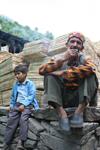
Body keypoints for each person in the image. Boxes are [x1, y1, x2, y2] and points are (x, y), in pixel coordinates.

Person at [39, 31, 98, 135]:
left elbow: (91, 68)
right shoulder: (58, 57)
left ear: (82, 48)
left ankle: (79, 112)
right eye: (72, 41)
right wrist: (63, 59)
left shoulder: (83, 58)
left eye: (78, 43)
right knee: (49, 75)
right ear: (67, 45)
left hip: (79, 99)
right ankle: (62, 113)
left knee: (91, 73)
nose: (75, 44)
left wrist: (62, 72)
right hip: (61, 99)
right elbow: (41, 70)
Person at [2, 64, 39, 150]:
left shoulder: (30, 84)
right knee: (11, 119)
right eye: (15, 74)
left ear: (25, 73)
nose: (16, 76)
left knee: (23, 120)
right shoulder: (16, 84)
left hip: (28, 104)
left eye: (18, 73)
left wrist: (24, 105)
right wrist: (11, 105)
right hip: (17, 104)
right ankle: (6, 142)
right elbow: (12, 96)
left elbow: (31, 96)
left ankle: (21, 142)